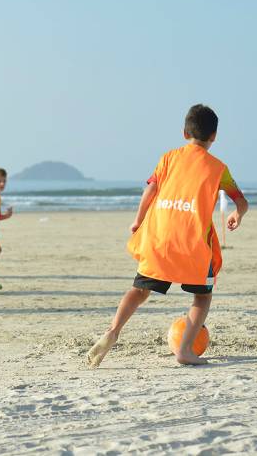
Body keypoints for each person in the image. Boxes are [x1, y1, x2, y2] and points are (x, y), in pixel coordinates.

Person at [87, 104, 248, 367]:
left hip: (160, 239)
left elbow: (149, 192)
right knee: (202, 296)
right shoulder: (219, 168)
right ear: (214, 137)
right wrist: (237, 215)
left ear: (185, 133)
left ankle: (113, 331)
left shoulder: (168, 158)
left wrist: (138, 221)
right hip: (193, 245)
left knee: (139, 290)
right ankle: (185, 350)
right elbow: (241, 201)